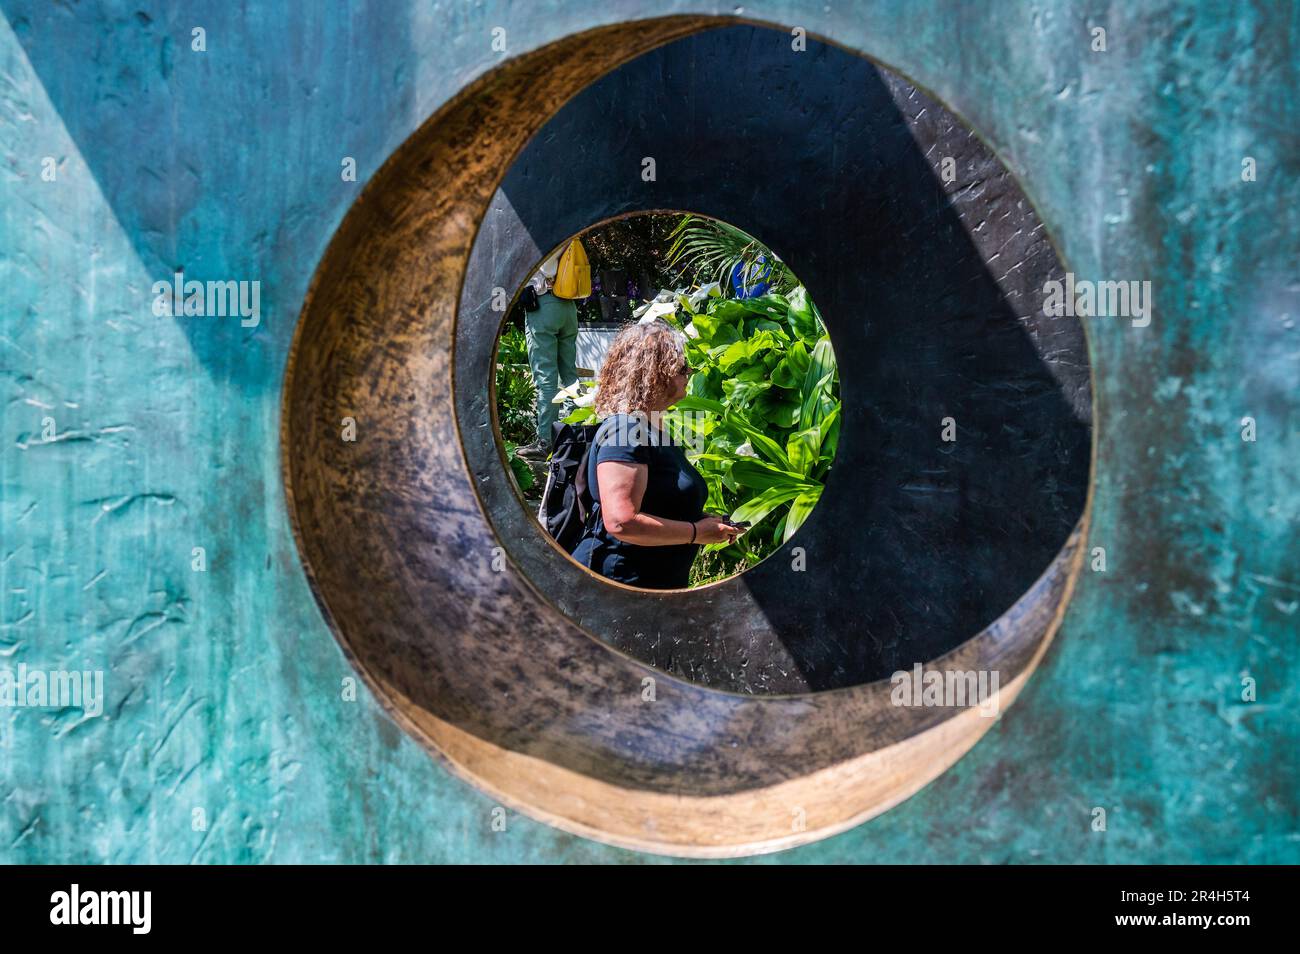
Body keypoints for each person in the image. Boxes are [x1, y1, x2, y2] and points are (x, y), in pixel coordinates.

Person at [571, 320, 747, 589]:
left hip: (650, 586)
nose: (690, 372)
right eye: (681, 368)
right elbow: (621, 522)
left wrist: (701, 520)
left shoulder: (650, 427)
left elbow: (658, 501)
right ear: (656, 374)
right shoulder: (625, 430)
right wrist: (697, 533)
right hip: (621, 586)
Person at [516, 244, 580, 460]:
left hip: (543, 304)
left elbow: (543, 264)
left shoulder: (541, 236)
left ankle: (545, 442)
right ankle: (577, 434)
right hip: (568, 306)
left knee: (546, 379)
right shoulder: (570, 233)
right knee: (570, 375)